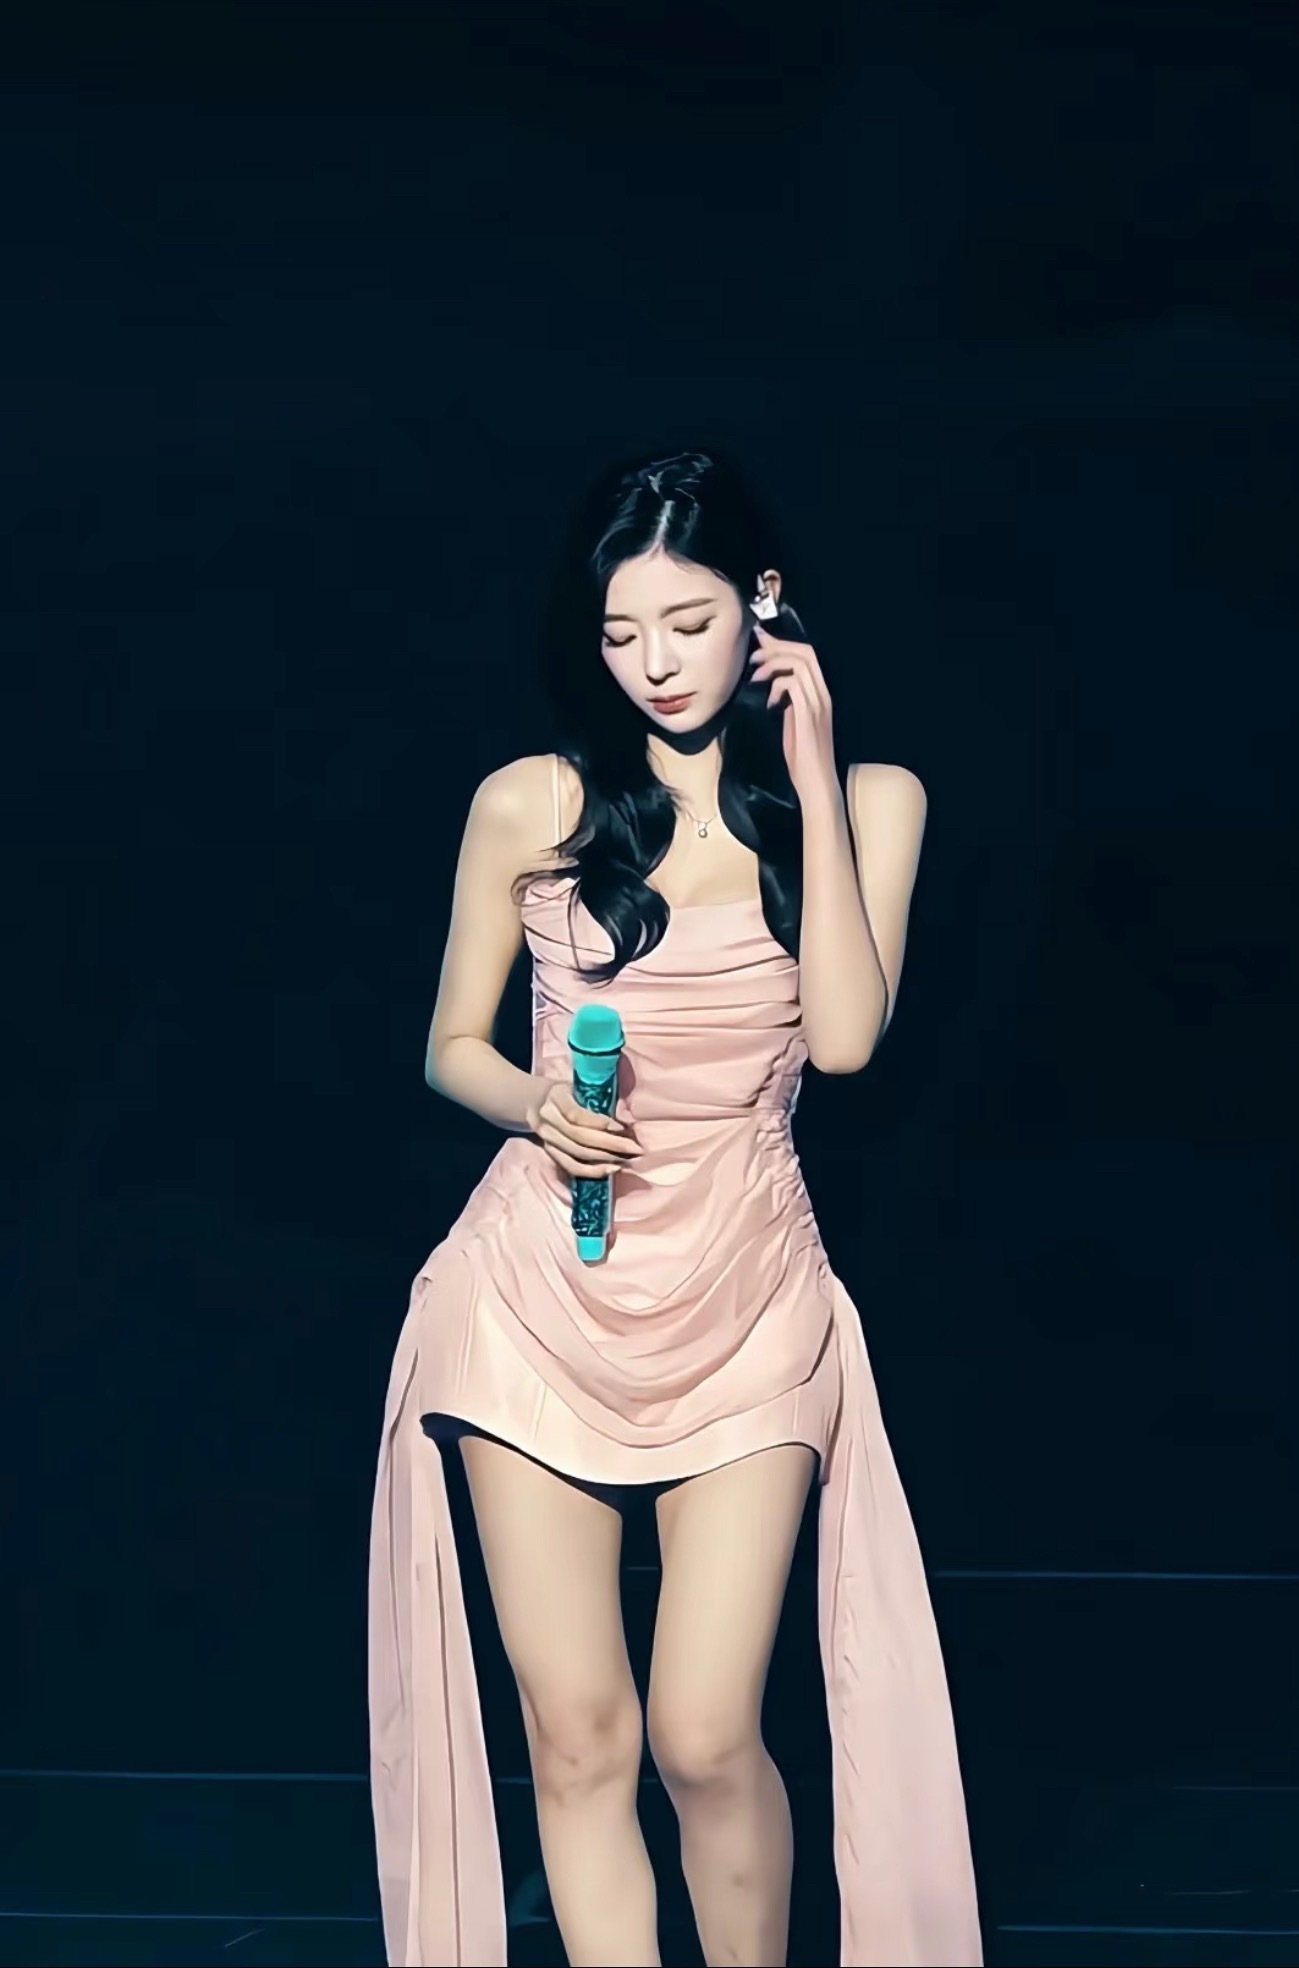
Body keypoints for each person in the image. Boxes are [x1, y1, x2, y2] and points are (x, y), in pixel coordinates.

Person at [368, 451, 982, 1968]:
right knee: (580, 1732)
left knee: (706, 1732)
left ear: (763, 604)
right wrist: (536, 1103)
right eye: (621, 632)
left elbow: (846, 1040)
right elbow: (450, 1044)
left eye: (690, 623)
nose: (653, 662)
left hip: (748, 1293)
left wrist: (814, 765)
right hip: (536, 1291)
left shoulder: (876, 802)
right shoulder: (534, 801)